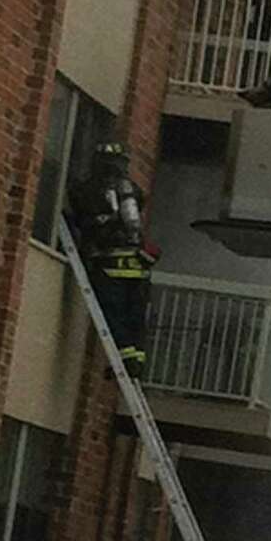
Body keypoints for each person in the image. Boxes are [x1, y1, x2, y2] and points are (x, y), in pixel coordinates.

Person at [68, 142, 158, 380]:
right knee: (135, 317)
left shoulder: (88, 189)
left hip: (110, 266)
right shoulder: (133, 190)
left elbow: (83, 218)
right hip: (138, 267)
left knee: (114, 314)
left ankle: (127, 360)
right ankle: (136, 362)